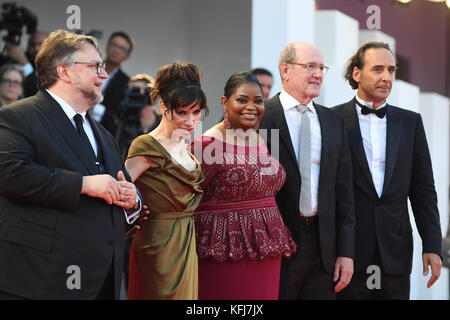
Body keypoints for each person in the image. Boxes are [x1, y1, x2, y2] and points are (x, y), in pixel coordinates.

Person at [0, 29, 141, 300]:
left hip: (101, 282)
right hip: (41, 280)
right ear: (64, 72)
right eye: (95, 67)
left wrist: (131, 200)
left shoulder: (103, 134)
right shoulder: (18, 117)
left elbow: (117, 188)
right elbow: (10, 175)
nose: (105, 74)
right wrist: (83, 184)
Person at [332, 41, 442, 300]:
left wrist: (432, 245)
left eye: (391, 70)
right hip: (347, 253)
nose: (386, 77)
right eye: (378, 69)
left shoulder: (410, 122)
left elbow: (423, 190)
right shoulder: (332, 120)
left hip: (395, 251)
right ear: (356, 74)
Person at [259, 41, 355, 300]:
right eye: (310, 66)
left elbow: (344, 192)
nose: (318, 74)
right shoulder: (261, 117)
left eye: (322, 68)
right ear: (285, 70)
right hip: (275, 245)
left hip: (323, 248)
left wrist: (346, 253)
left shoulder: (334, 122)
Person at [190, 71, 297, 300]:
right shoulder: (206, 144)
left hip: (267, 252)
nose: (251, 107)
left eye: (258, 101)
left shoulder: (259, 138)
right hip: (224, 253)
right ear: (224, 102)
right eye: (242, 100)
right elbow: (186, 200)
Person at [126, 61, 208, 300]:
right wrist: (135, 209)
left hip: (186, 240)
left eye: (196, 113)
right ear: (163, 106)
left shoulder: (186, 147)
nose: (191, 121)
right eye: (182, 112)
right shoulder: (146, 145)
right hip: (157, 245)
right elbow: (120, 187)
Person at [93, 31, 134, 137]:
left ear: (127, 56)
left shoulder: (126, 83)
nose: (116, 50)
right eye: (114, 45)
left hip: (102, 132)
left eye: (122, 48)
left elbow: (119, 116)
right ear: (107, 46)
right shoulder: (91, 67)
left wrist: (98, 110)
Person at [4, 31, 49, 97]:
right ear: (27, 46)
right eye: (32, 44)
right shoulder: (20, 59)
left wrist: (24, 63)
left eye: (41, 44)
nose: (36, 48)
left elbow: (38, 94)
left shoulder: (57, 67)